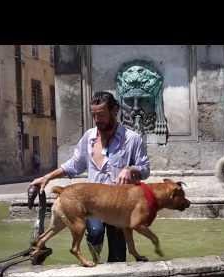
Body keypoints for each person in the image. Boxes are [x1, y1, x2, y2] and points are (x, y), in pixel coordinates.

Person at [30, 91, 150, 264]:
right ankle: (95, 262)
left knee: (117, 256)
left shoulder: (132, 139)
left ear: (115, 110)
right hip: (93, 202)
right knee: (95, 232)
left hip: (119, 205)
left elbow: (145, 170)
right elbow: (74, 165)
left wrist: (131, 169)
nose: (97, 120)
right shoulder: (89, 137)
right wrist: (48, 177)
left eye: (101, 115)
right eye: (93, 115)